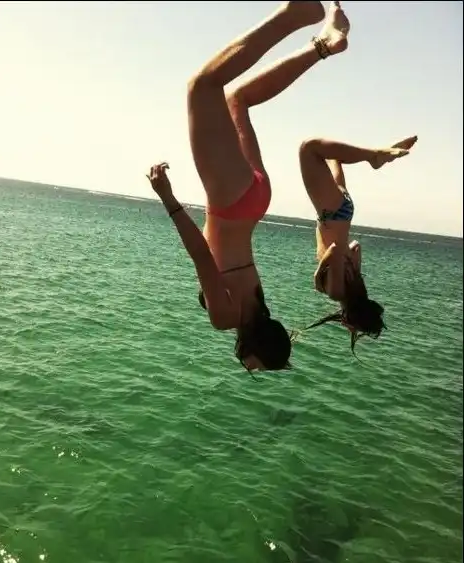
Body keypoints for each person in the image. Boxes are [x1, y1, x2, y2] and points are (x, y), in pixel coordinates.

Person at [148, 0, 351, 372]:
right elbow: (202, 256)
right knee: (202, 87)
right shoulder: (227, 318)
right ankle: (295, 13)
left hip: (255, 201)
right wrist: (168, 198)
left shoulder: (257, 305)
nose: (251, 368)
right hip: (231, 201)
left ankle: (324, 45)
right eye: (258, 365)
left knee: (237, 100)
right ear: (259, 346)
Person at [298, 118, 418, 353]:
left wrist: (347, 261)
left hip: (344, 210)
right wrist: (317, 276)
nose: (347, 327)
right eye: (352, 327)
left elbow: (355, 245)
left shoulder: (355, 282)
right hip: (331, 212)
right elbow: (333, 251)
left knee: (333, 157)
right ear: (352, 317)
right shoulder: (336, 292)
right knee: (309, 149)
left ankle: (376, 155)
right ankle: (374, 156)